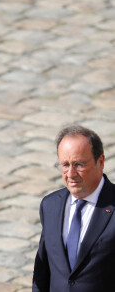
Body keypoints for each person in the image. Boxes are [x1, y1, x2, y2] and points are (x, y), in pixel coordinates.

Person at [33, 125, 115, 292]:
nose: (70, 174)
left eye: (78, 164)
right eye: (65, 165)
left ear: (100, 162)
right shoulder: (50, 206)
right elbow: (42, 272)